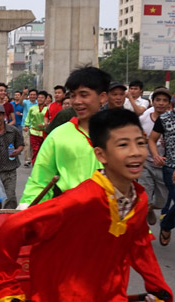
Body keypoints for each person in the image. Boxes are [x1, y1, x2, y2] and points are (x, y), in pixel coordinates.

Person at [0, 109, 173, 302]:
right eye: (123, 145)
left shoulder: (139, 198)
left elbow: (139, 245)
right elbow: (13, 228)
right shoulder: (79, 200)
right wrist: (5, 286)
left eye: (140, 143)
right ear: (101, 154)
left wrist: (157, 287)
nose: (135, 153)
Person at [19, 67, 110, 208]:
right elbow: (39, 181)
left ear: (102, 97)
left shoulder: (118, 133)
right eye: (73, 96)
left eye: (84, 95)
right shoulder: (58, 136)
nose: (77, 101)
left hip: (112, 219)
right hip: (70, 216)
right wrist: (27, 208)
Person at [149, 70, 175, 261]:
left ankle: (166, 225)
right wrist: (156, 155)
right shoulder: (165, 119)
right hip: (172, 169)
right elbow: (152, 139)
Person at [140, 87, 171, 226]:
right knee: (144, 198)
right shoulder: (144, 117)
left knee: (162, 201)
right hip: (146, 163)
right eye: (158, 100)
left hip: (163, 166)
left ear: (169, 104)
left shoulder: (173, 120)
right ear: (152, 102)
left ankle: (151, 208)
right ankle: (145, 214)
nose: (161, 103)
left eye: (165, 100)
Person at [25, 90, 48, 163]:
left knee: (44, 150)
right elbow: (28, 117)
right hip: (34, 132)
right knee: (35, 150)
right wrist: (26, 125)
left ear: (45, 99)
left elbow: (50, 119)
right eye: (39, 97)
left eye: (42, 97)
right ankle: (34, 165)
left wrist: (45, 124)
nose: (40, 99)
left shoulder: (48, 109)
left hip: (45, 132)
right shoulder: (32, 108)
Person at [21, 89, 38, 166]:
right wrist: (23, 93)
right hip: (26, 126)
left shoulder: (38, 103)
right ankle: (27, 160)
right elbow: (20, 102)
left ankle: (33, 158)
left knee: (33, 144)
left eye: (34, 95)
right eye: (31, 94)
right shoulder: (26, 102)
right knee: (27, 143)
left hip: (36, 126)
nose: (32, 96)